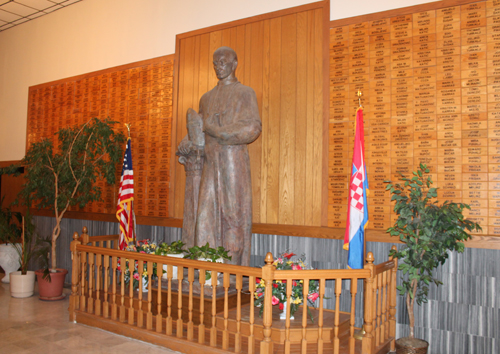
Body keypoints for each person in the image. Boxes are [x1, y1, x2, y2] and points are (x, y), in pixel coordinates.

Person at [178, 46, 261, 266]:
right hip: (210, 161)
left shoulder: (245, 93)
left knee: (232, 214)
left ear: (234, 64)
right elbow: (198, 130)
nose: (219, 67)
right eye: (215, 63)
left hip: (232, 161)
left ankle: (231, 272)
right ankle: (207, 269)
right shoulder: (206, 98)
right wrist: (187, 141)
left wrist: (218, 131)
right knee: (205, 213)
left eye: (223, 63)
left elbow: (252, 128)